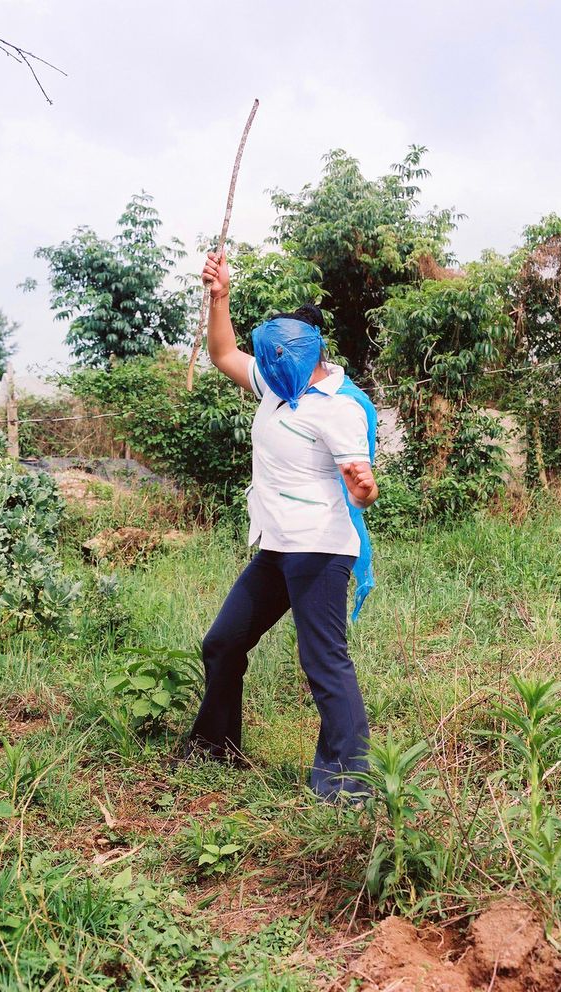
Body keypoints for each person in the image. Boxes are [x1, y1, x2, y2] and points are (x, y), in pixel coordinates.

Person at [186, 250, 379, 800]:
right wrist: (219, 295)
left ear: (304, 356)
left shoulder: (338, 407)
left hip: (319, 550)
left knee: (323, 662)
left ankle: (348, 785)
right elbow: (222, 352)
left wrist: (363, 489)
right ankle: (215, 748)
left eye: (272, 363)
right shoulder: (277, 383)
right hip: (276, 546)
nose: (262, 371)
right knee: (223, 643)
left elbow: (362, 488)